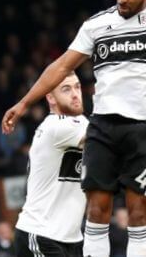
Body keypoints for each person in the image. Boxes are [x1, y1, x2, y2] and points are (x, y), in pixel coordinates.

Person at [0, 0, 146, 255]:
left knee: (139, 213)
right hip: (103, 127)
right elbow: (61, 66)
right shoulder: (97, 24)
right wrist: (24, 103)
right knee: (97, 210)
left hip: (142, 128)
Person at [13, 73, 88, 257]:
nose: (75, 94)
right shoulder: (56, 126)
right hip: (42, 235)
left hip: (71, 238)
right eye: (66, 89)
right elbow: (109, 139)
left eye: (77, 87)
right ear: (50, 98)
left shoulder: (81, 122)